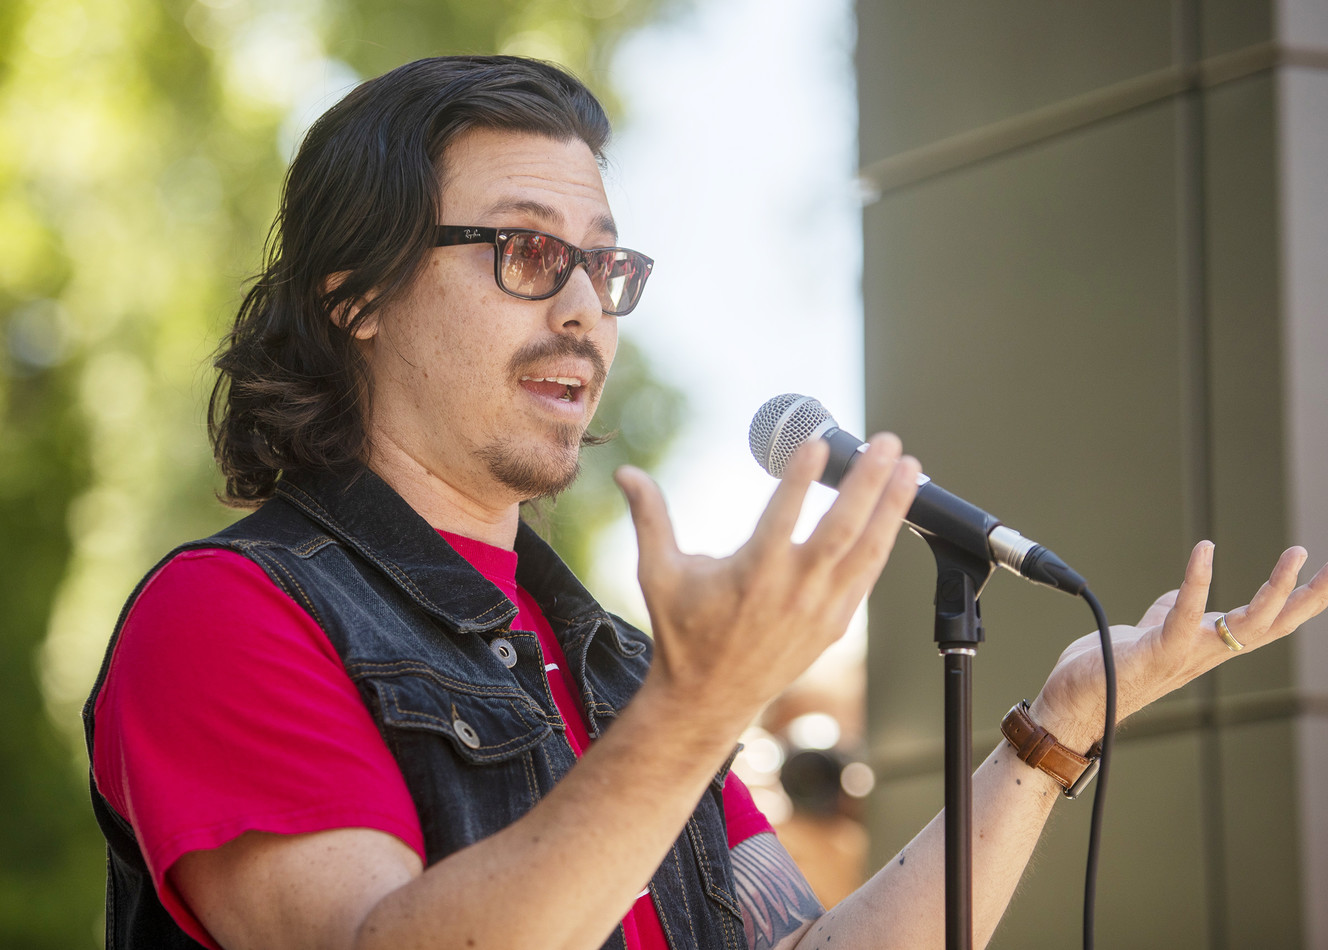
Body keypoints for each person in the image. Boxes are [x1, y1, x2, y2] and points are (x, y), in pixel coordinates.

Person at [82, 55, 1328, 950]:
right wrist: (699, 710)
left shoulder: (622, 669)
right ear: (354, 291)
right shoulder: (228, 615)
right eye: (525, 252)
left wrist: (1052, 730)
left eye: (604, 265)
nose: (582, 308)